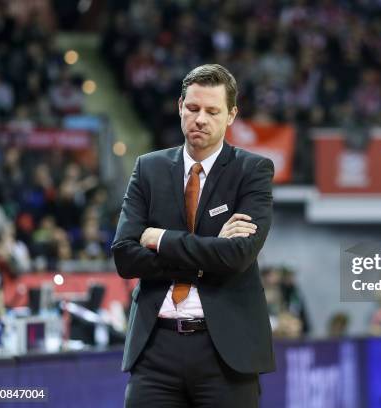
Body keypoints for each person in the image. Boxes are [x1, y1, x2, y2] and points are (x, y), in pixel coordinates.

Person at [112, 64, 275, 407]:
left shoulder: (253, 171)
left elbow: (237, 257)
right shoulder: (148, 168)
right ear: (179, 107)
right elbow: (125, 257)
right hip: (155, 349)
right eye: (193, 108)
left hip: (226, 353)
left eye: (212, 111)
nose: (200, 119)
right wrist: (211, 251)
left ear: (231, 115)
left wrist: (160, 240)